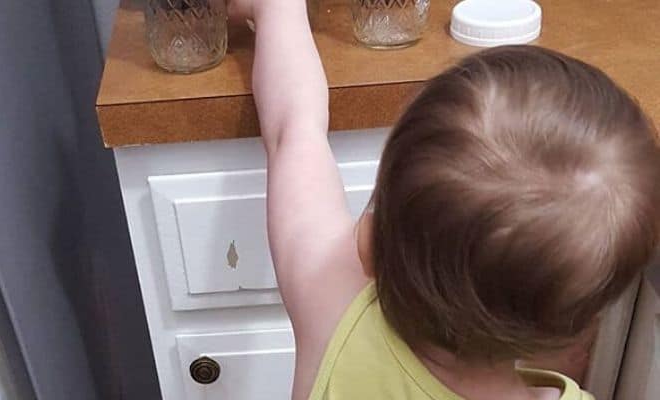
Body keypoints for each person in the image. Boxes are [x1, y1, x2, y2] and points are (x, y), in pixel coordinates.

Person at [227, 1, 660, 399]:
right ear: (574, 331)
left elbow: (293, 130)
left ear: (370, 248)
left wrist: (276, 10)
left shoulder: (331, 301)